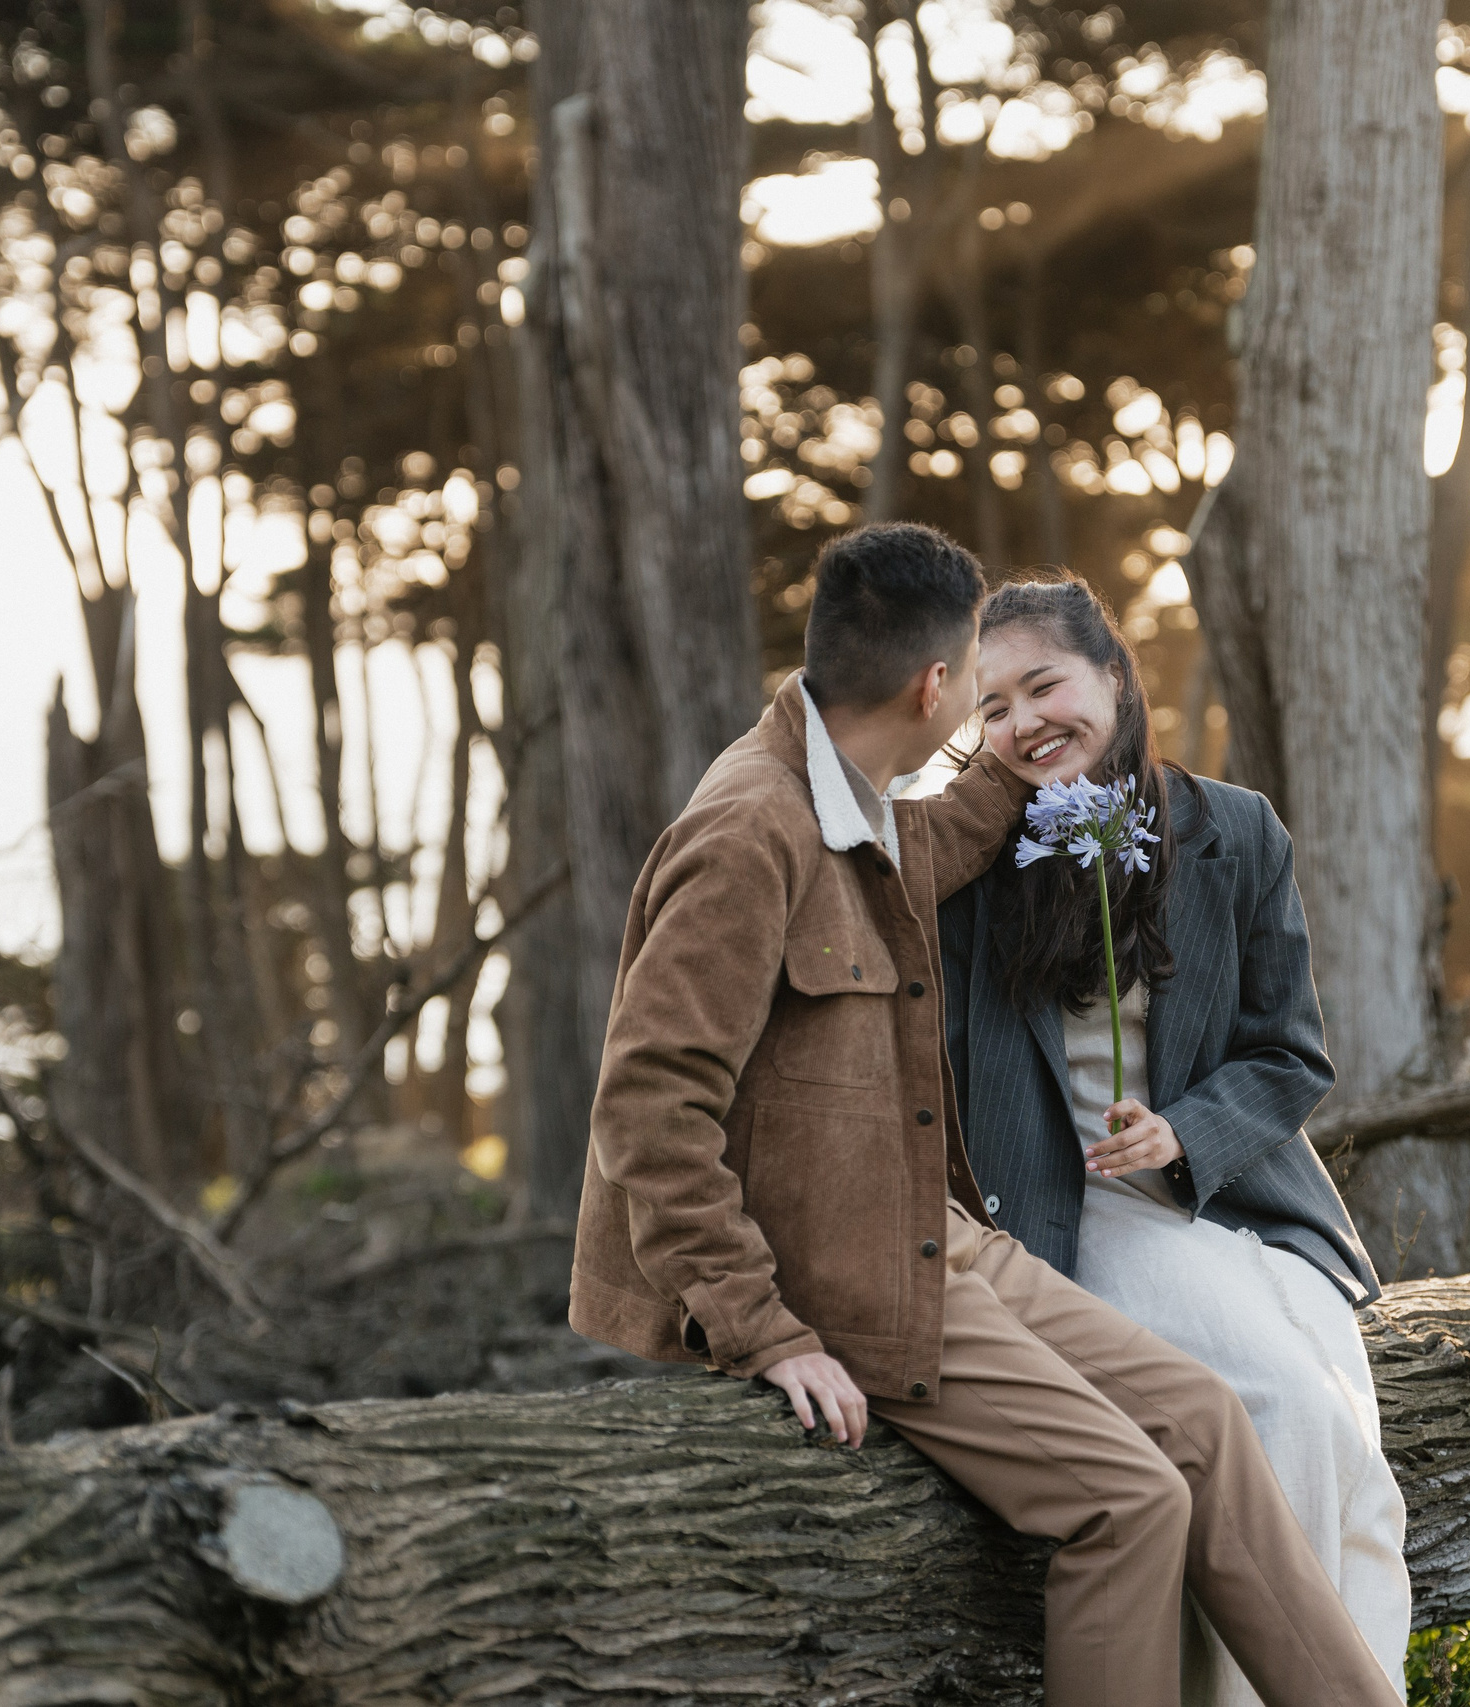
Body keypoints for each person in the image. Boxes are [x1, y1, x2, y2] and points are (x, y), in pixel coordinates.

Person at [570, 523, 1403, 1707]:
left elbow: (957, 825)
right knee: (1128, 1499)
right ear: (934, 685)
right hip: (844, 1276)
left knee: (1209, 1420)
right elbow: (647, 1109)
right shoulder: (749, 834)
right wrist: (764, 1330)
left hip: (941, 1234)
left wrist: (1054, 740)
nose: (991, 716)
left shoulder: (853, 800)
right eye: (982, 682)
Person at [937, 573, 1415, 1705]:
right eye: (991, 708)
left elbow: (1289, 1053)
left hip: (1227, 1195)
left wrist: (1180, 1132)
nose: (1020, 725)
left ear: (1112, 675)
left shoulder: (1233, 832)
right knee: (1281, 1410)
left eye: (1042, 686)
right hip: (1066, 1208)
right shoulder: (964, 860)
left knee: (1339, 1428)